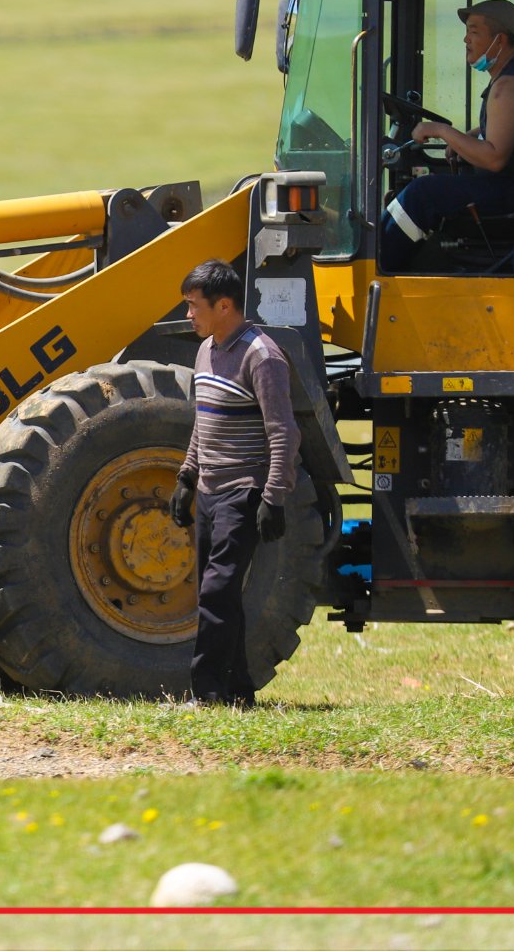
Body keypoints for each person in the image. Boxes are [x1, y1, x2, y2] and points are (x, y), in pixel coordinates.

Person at [168, 258, 299, 706]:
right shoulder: (206, 350)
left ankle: (206, 694)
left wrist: (274, 497)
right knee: (220, 596)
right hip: (208, 492)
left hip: (244, 490)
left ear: (224, 305)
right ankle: (239, 692)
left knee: (216, 592)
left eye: (193, 306)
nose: (188, 315)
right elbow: (203, 422)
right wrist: (187, 476)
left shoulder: (262, 356)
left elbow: (283, 431)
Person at [378, 0, 514, 271]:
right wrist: (471, 134)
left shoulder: (507, 87)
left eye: (474, 32)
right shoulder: (513, 75)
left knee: (423, 193)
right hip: (507, 188)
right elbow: (509, 125)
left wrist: (442, 131)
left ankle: (378, 265)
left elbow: (494, 159)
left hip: (508, 192)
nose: (466, 39)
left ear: (499, 40)